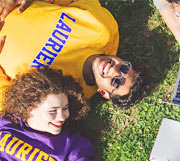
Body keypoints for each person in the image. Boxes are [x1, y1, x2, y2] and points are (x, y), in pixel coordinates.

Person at [0, 0, 143, 108]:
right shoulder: (102, 27)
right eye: (124, 68)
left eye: (115, 81)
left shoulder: (62, 95)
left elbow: (5, 101)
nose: (114, 70)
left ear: (103, 93)